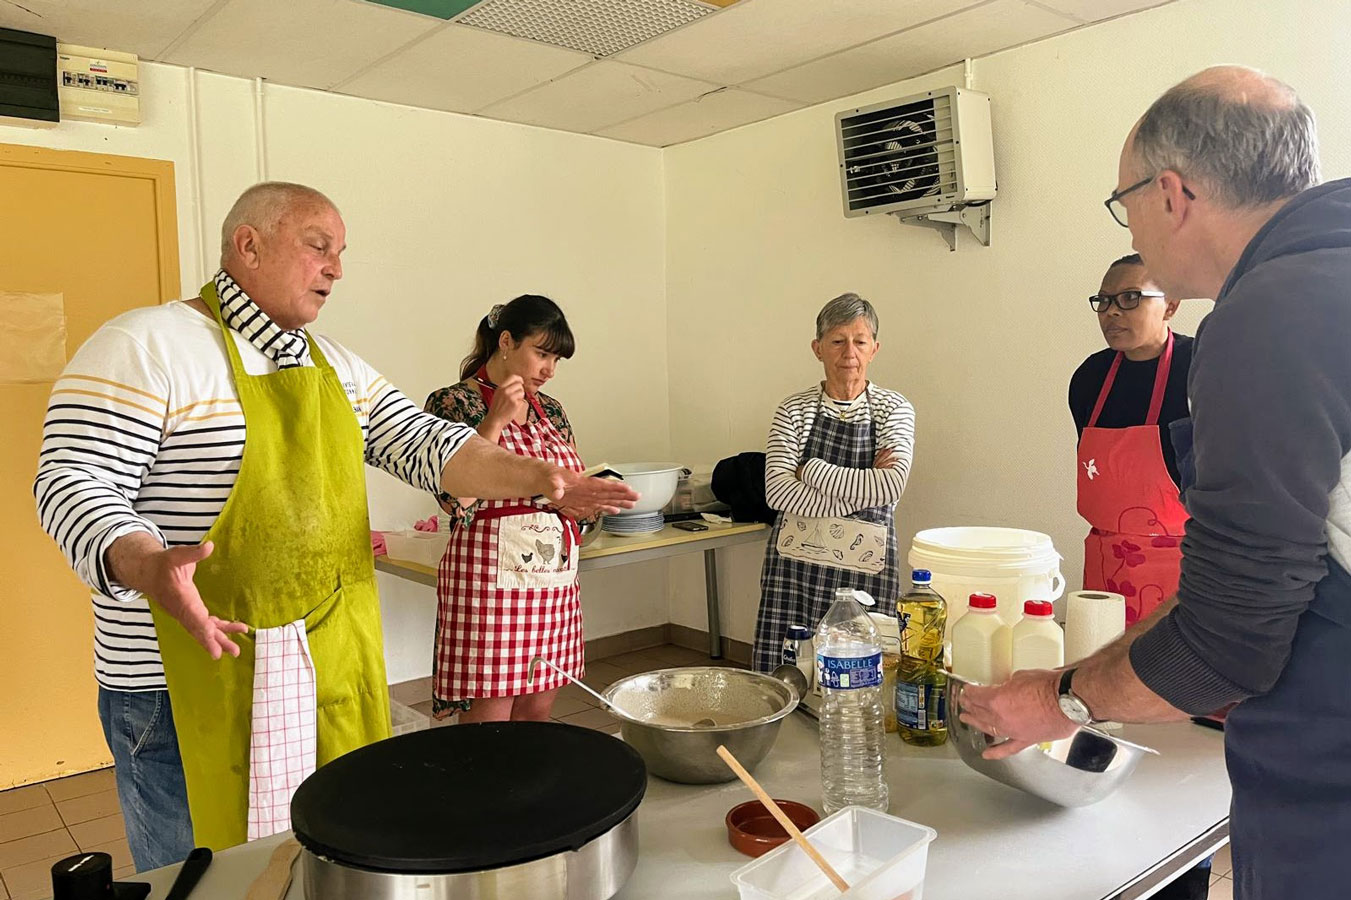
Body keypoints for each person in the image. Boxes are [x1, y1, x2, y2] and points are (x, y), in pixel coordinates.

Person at [33, 183, 636, 868]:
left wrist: (541, 478)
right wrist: (143, 561)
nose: (336, 269)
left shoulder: (337, 367)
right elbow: (72, 481)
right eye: (318, 247)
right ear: (248, 245)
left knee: (321, 858)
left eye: (341, 252)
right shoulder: (145, 345)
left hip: (320, 668)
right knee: (202, 874)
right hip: (177, 678)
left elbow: (429, 444)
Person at [959, 67, 1347, 900]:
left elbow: (1226, 639)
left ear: (1170, 195)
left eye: (1123, 202)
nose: (1129, 224)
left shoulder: (1266, 317)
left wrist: (1060, 699)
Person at [424, 295, 599, 723]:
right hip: (489, 586)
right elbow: (454, 499)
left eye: (556, 359)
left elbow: (572, 484)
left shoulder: (551, 410)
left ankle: (532, 772)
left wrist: (589, 501)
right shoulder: (453, 403)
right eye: (541, 353)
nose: (549, 370)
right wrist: (496, 420)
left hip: (553, 583)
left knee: (538, 710)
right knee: (491, 716)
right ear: (506, 341)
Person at [753, 292, 915, 672]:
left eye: (860, 342)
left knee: (862, 673)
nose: (849, 353)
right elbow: (777, 492)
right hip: (794, 567)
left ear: (874, 349)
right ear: (818, 348)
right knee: (786, 673)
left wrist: (809, 470)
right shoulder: (793, 410)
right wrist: (865, 491)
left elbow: (891, 486)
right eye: (838, 341)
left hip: (866, 568)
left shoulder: (894, 408)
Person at [1070, 253, 1191, 625]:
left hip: (1185, 570)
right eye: (1104, 300)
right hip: (1106, 567)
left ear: (1170, 305)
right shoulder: (1090, 378)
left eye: (1130, 298)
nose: (1112, 312)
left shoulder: (1200, 368)